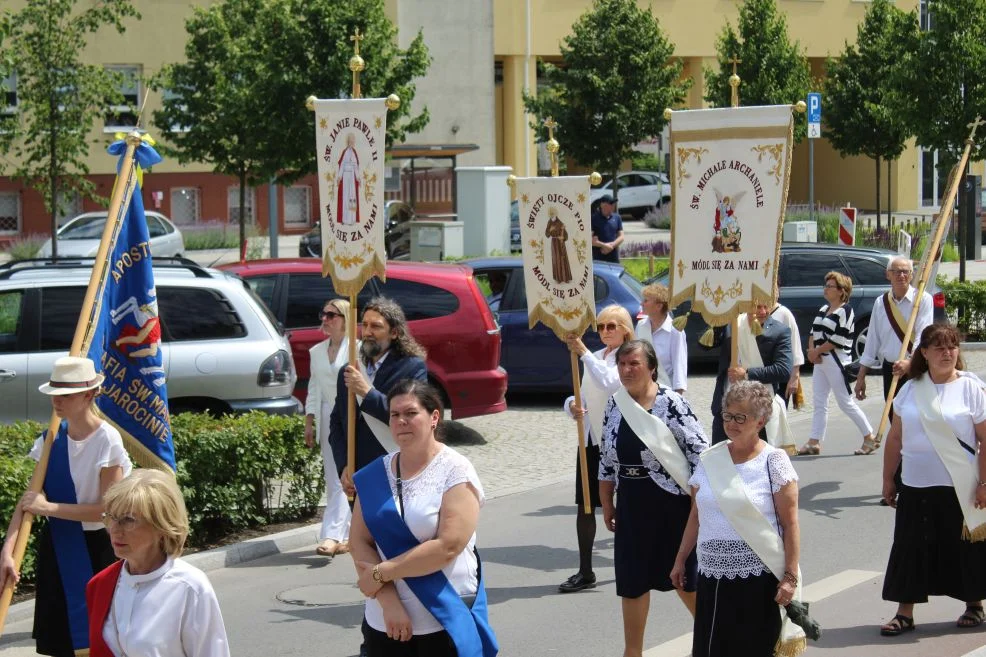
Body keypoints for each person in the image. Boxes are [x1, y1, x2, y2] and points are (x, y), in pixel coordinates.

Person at [350, 380, 498, 657]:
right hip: (386, 620)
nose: (401, 421)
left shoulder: (456, 470)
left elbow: (448, 546)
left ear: (434, 417)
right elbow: (359, 542)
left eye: (411, 413)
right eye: (395, 415)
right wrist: (389, 602)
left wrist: (383, 572)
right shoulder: (373, 475)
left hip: (442, 617)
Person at [0, 357, 132, 657]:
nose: (57, 402)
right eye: (54, 395)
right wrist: (7, 552)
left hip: (98, 549)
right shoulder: (49, 441)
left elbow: (106, 510)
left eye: (66, 395)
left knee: (100, 640)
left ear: (89, 395)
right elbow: (29, 502)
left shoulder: (106, 440)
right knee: (60, 643)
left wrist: (50, 508)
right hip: (58, 546)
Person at [672, 381, 803, 657]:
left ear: (760, 421)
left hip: (757, 578)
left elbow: (791, 524)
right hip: (711, 575)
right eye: (727, 415)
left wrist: (790, 577)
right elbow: (696, 514)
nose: (731, 423)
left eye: (740, 417)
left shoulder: (774, 461)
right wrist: (681, 559)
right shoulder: (710, 459)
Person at [598, 340, 709, 657]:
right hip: (632, 503)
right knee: (632, 583)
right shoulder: (614, 404)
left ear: (651, 367)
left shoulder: (672, 404)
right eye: (621, 364)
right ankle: (632, 652)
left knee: (684, 579)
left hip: (670, 504)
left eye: (634, 363)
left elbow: (700, 455)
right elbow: (606, 459)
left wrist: (698, 505)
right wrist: (607, 502)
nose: (626, 370)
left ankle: (715, 638)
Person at [878, 323, 986, 637]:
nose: (946, 353)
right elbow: (895, 438)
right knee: (910, 547)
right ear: (923, 353)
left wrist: (984, 484)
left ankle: (974, 604)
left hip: (959, 483)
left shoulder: (970, 387)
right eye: (938, 347)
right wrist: (888, 478)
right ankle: (904, 613)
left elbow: (984, 440)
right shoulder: (911, 388)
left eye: (952, 346)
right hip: (915, 483)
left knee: (964, 547)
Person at [86, 470, 231, 657]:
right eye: (111, 517)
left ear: (162, 527)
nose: (114, 529)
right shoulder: (99, 585)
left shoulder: (190, 587)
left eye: (128, 520)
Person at [558, 305, 634, 593]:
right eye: (600, 327)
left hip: (621, 438)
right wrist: (572, 406)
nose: (604, 332)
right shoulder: (598, 356)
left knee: (627, 504)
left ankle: (632, 562)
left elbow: (609, 381)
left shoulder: (629, 355)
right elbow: (584, 389)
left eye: (611, 326)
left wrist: (582, 352)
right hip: (591, 438)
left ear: (625, 329)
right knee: (585, 504)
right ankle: (585, 568)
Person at [329, 297, 428, 489]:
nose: (367, 332)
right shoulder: (350, 370)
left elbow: (411, 417)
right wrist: (343, 465)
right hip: (358, 474)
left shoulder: (412, 367)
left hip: (395, 468)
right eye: (364, 325)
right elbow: (337, 423)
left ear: (394, 333)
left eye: (376, 326)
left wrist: (366, 392)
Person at [854, 256, 934, 455]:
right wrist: (861, 375)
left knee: (918, 418)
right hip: (891, 370)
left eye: (906, 271)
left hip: (917, 369)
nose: (902, 275)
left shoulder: (923, 299)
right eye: (897, 271)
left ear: (912, 274)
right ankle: (901, 467)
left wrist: (910, 362)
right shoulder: (881, 303)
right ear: (888, 275)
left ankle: (919, 459)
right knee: (895, 418)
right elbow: (872, 340)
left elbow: (923, 335)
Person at [799, 272, 875, 455]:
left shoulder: (846, 311)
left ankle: (869, 436)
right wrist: (811, 352)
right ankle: (814, 440)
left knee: (845, 402)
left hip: (836, 360)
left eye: (830, 286)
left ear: (841, 291)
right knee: (819, 401)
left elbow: (838, 339)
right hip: (820, 361)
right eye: (825, 285)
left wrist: (817, 351)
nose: (826, 289)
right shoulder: (823, 309)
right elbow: (813, 332)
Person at [305, 298, 354, 557]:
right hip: (327, 416)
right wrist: (310, 421)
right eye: (323, 314)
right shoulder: (316, 352)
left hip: (352, 416)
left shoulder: (356, 349)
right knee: (333, 474)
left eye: (331, 315)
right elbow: (314, 388)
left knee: (348, 473)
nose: (325, 319)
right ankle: (343, 534)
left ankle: (332, 535)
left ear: (345, 319)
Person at [708, 303, 793, 445]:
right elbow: (705, 345)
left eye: (767, 307)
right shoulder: (732, 324)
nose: (763, 311)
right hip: (725, 408)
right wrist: (719, 316)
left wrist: (746, 374)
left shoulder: (780, 331)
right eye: (757, 307)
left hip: (757, 409)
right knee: (722, 462)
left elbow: (783, 370)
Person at [634, 283, 687, 393]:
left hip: (666, 389)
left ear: (659, 306)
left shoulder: (675, 330)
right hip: (642, 388)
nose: (641, 303)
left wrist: (678, 395)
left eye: (646, 301)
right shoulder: (641, 326)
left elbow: (679, 363)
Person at [768, 302, 804, 405]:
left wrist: (795, 376)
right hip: (759, 372)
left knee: (779, 412)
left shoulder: (784, 313)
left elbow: (795, 344)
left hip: (779, 372)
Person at [591, 195, 624, 263]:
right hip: (598, 259)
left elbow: (621, 236)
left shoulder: (617, 218)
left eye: (613, 203)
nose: (613, 205)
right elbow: (589, 240)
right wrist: (604, 246)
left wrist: (611, 246)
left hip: (614, 258)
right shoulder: (593, 219)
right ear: (603, 205)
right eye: (611, 203)